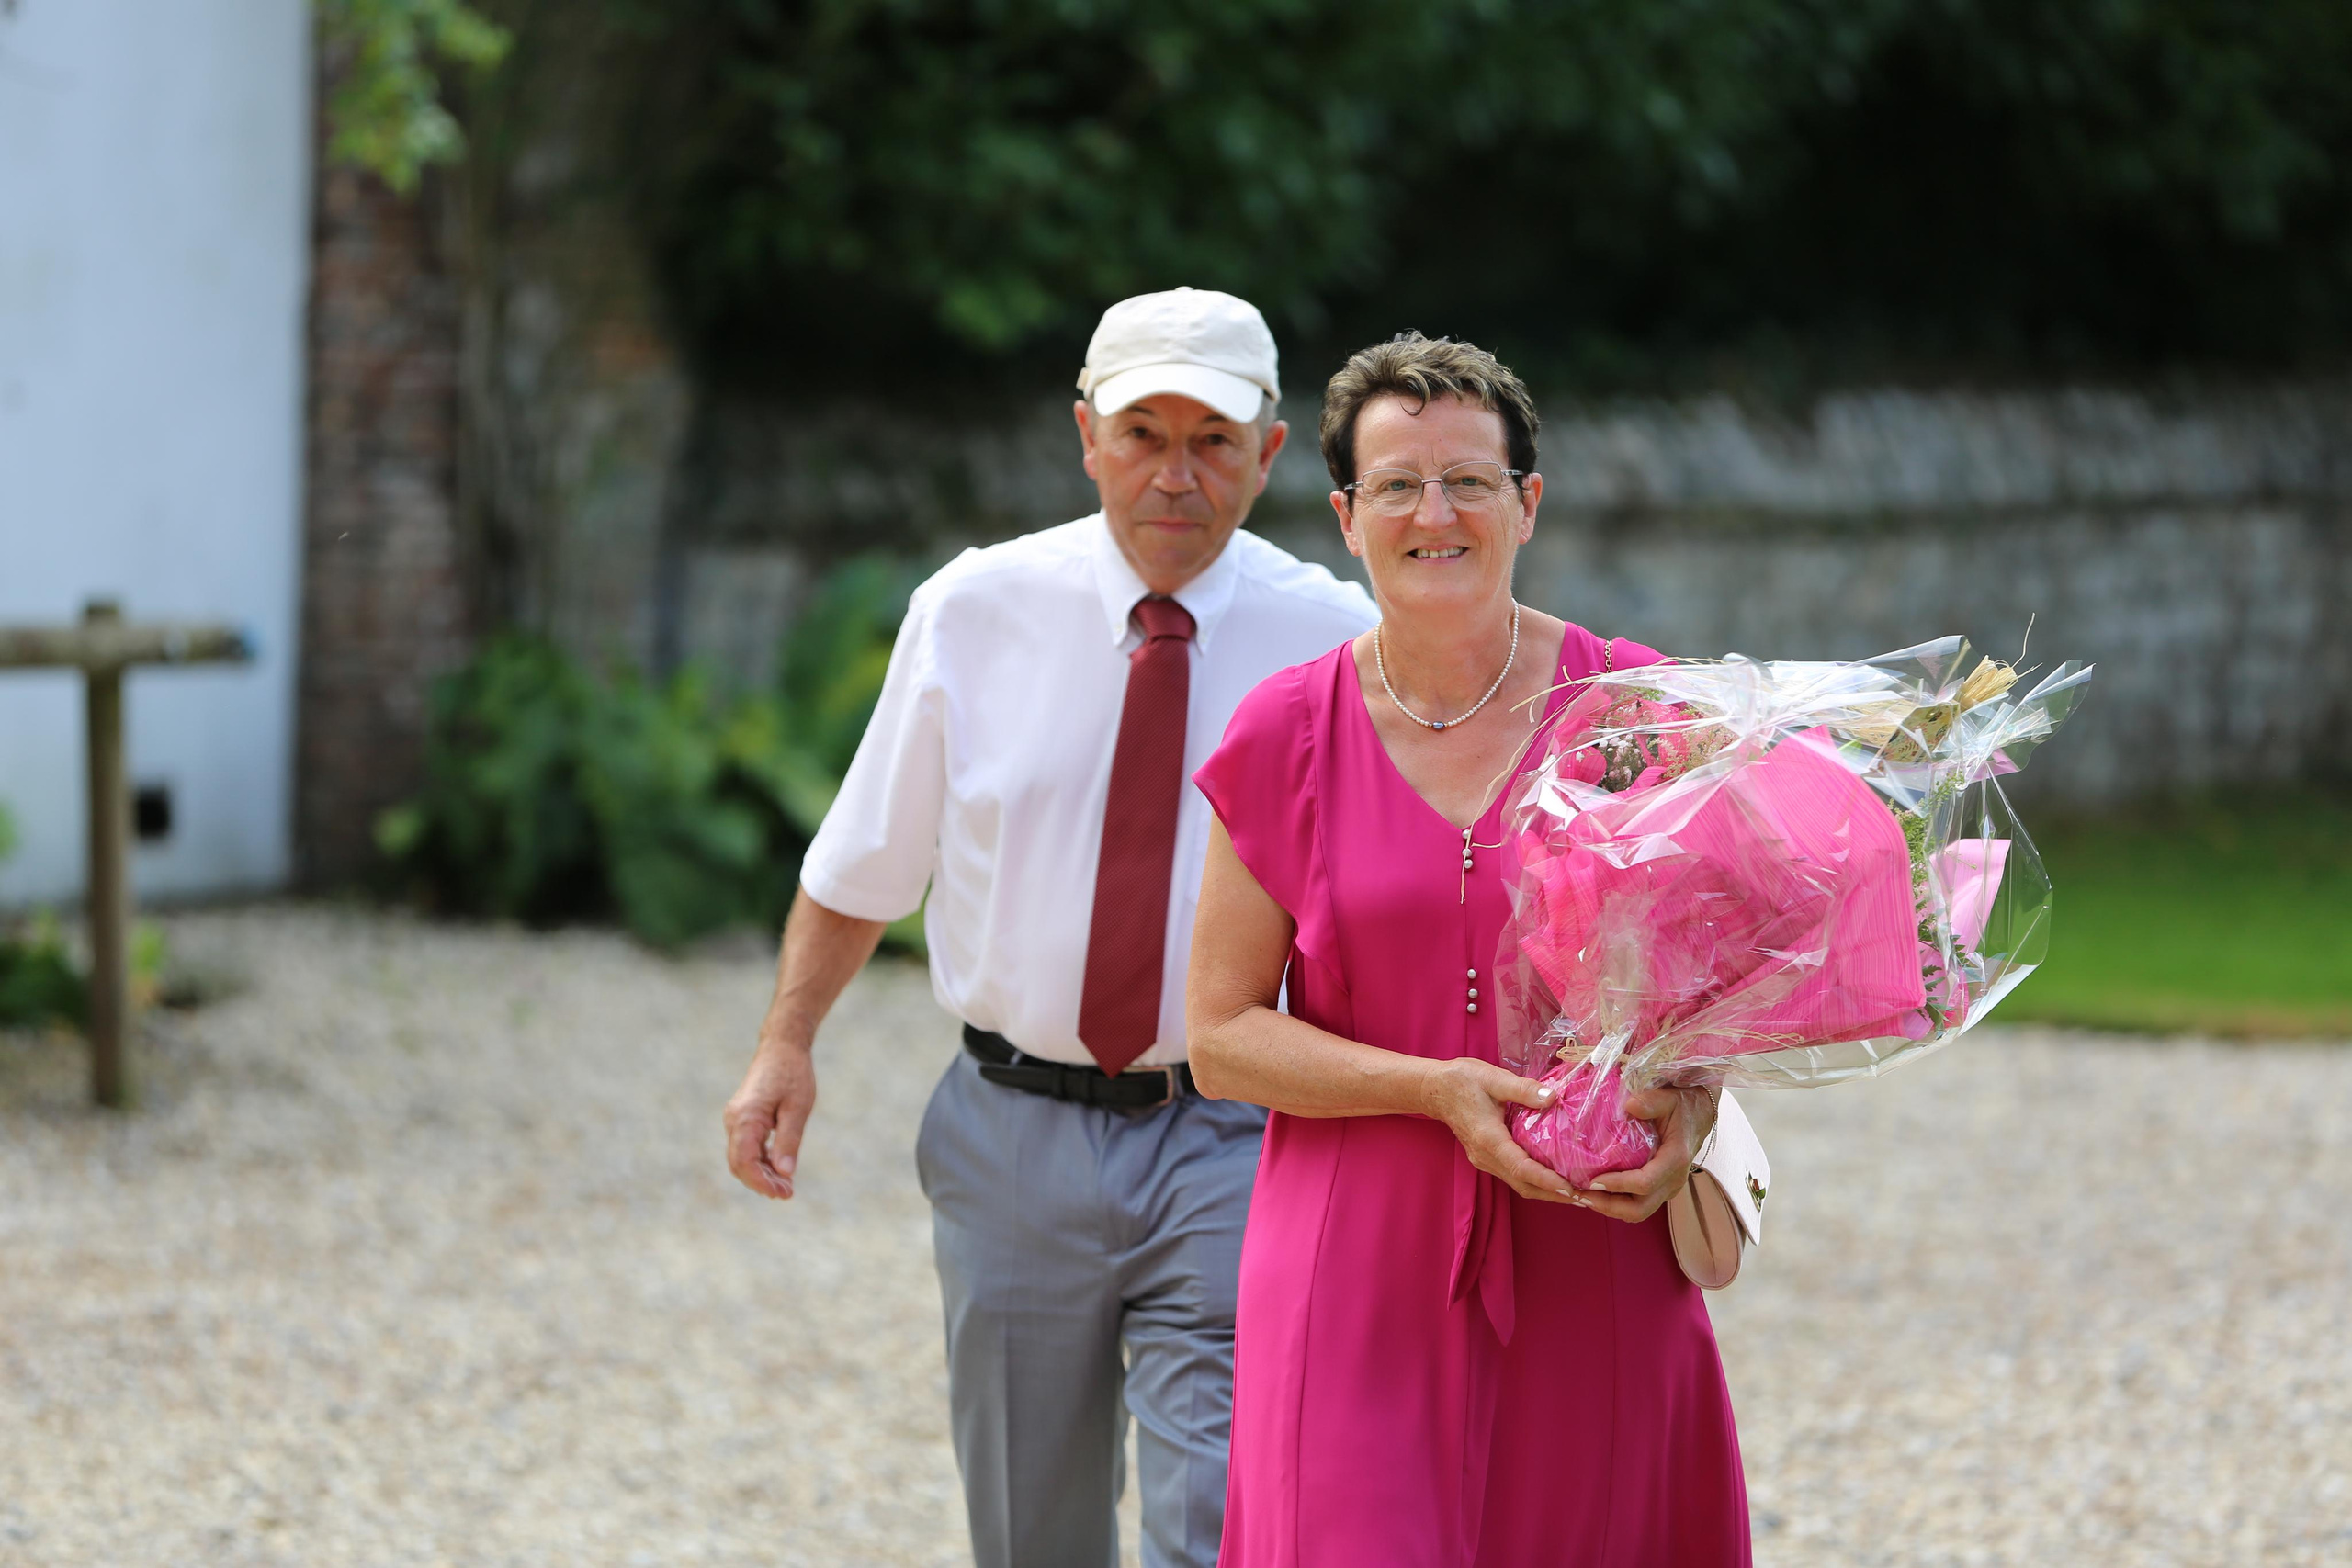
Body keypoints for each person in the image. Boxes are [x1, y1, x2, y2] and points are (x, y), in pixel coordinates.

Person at [720, 288, 1377, 1568]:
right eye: (1143, 436)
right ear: (1085, 436)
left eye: (1213, 441)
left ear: (1273, 453)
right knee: (1034, 1534)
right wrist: (785, 1044)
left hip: (1239, 1138)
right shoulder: (972, 612)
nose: (1175, 477)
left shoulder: (1341, 645)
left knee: (1225, 1524)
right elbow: (866, 860)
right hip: (1011, 1134)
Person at [1187, 333, 1752, 1566]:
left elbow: (1717, 998)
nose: (1433, 512)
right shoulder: (1283, 731)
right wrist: (1432, 1091)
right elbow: (1221, 1038)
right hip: (1354, 1262)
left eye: (1468, 481)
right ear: (1346, 516)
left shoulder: (1640, 712)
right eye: (1396, 484)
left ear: (1526, 504)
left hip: (1591, 1241)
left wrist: (1689, 1123)